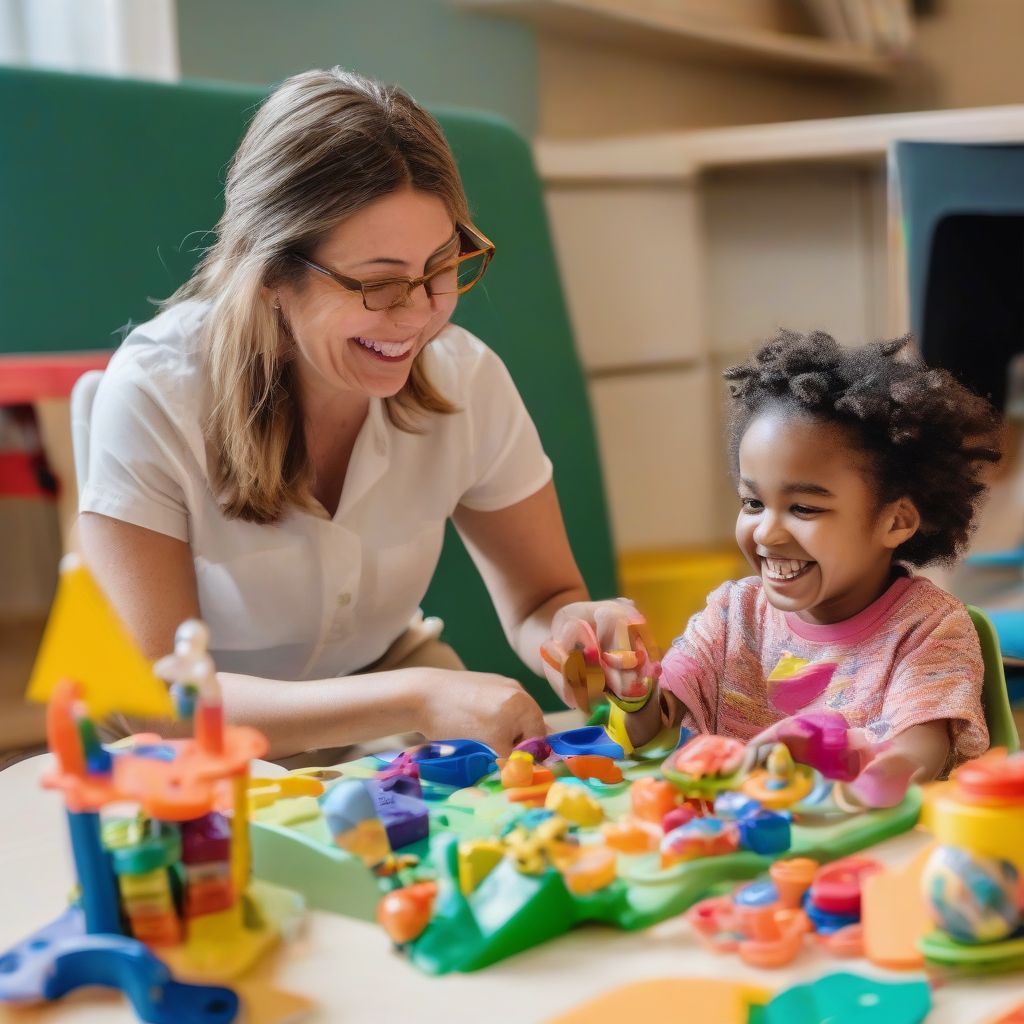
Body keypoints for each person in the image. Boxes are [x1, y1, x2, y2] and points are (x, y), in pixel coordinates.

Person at [78, 67, 607, 761]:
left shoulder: (465, 378)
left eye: (441, 266)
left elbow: (544, 597)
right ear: (271, 275)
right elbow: (159, 702)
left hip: (384, 690)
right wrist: (414, 696)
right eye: (380, 282)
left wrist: (578, 631)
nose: (418, 314)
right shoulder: (155, 393)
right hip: (192, 747)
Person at [611, 330, 999, 799]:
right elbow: (653, 738)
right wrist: (631, 691)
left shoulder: (929, 630)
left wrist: (821, 753)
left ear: (895, 521)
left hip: (865, 860)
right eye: (753, 503)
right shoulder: (732, 616)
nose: (767, 533)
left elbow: (914, 761)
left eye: (804, 509)